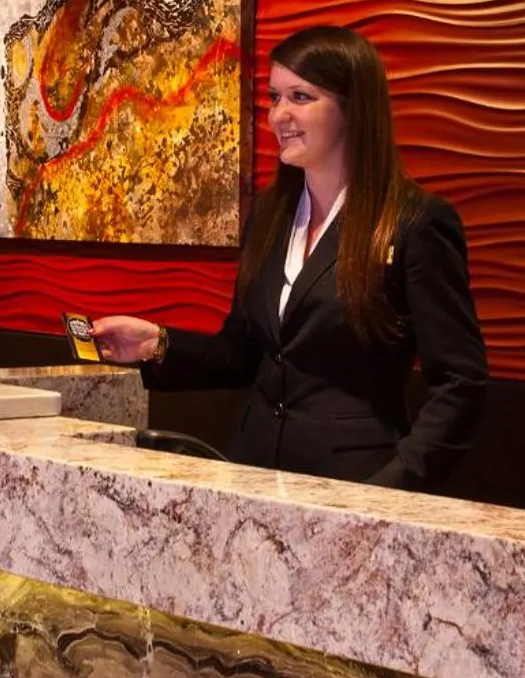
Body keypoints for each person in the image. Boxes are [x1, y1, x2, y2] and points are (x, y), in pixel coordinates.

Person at [94, 24, 485, 489]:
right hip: (254, 474)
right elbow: (241, 353)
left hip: (355, 486)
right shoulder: (269, 214)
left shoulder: (416, 222)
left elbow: (460, 384)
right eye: (274, 97)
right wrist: (156, 344)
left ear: (353, 108)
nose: (279, 115)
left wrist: (391, 490)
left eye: (300, 97)